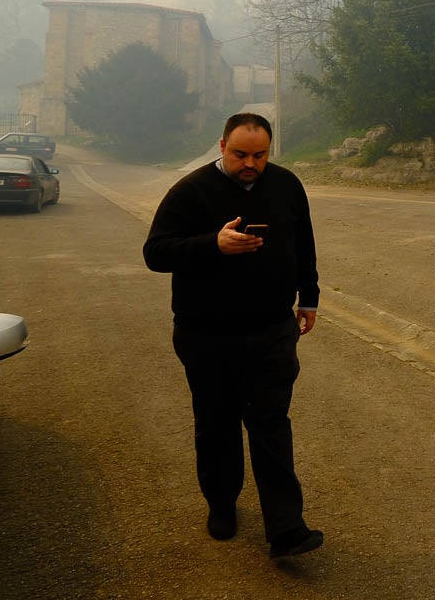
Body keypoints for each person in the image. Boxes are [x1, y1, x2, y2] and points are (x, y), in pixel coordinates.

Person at [142, 112, 324, 566]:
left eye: (260, 155)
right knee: (217, 423)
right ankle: (222, 505)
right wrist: (212, 245)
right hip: (206, 333)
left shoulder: (286, 185)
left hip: (271, 330)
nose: (250, 163)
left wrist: (310, 297)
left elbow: (304, 242)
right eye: (240, 154)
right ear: (221, 145)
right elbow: (156, 252)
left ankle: (285, 528)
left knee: (271, 426)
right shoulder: (189, 191)